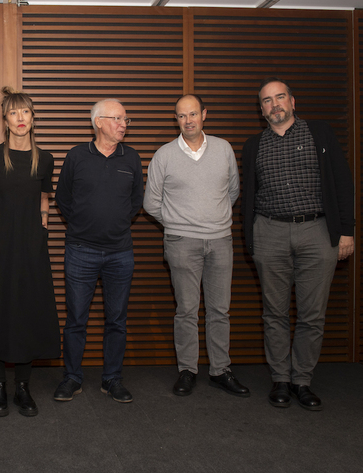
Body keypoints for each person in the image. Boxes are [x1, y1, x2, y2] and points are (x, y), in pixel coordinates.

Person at [242, 77, 355, 411]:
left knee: (312, 313)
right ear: (261, 109)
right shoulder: (254, 145)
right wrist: (251, 237)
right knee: (274, 312)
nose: (274, 104)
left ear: (293, 101)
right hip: (270, 233)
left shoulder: (319, 133)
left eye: (280, 97)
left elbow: (343, 181)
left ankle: (302, 380)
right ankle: (280, 378)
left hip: (317, 232)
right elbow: (249, 194)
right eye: (266, 100)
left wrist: (346, 231)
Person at [0, 87, 60, 417]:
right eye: (14, 113)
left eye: (26, 113)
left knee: (27, 310)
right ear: (4, 119)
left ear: (33, 119)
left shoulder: (45, 159)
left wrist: (43, 227)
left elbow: (45, 198)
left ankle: (22, 386)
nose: (20, 119)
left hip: (31, 242)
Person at [144, 94, 249, 398]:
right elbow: (151, 202)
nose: (187, 121)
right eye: (181, 116)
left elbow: (232, 192)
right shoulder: (164, 155)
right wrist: (179, 223)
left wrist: (211, 219)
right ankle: (187, 370)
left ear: (204, 114)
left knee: (220, 310)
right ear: (175, 119)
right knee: (186, 310)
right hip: (181, 242)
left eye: (193, 114)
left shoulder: (223, 148)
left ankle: (220, 370)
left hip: (220, 240)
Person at [54, 98, 143, 403]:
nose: (123, 125)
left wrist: (113, 224)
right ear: (98, 122)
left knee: (116, 319)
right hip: (81, 251)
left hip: (120, 252)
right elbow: (63, 199)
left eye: (125, 120)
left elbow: (135, 202)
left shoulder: (131, 158)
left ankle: (112, 379)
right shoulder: (77, 156)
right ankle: (72, 378)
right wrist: (84, 224)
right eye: (118, 119)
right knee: (76, 318)